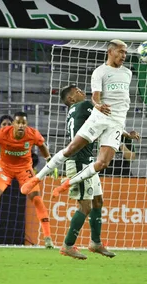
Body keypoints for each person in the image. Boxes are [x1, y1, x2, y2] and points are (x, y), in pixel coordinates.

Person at [20, 40, 138, 197]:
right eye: (121, 52)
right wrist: (97, 105)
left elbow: (122, 100)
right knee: (71, 149)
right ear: (110, 52)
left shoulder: (127, 73)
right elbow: (95, 97)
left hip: (117, 122)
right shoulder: (99, 72)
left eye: (125, 53)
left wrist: (126, 134)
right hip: (100, 116)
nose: (124, 55)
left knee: (103, 163)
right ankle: (36, 178)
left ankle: (68, 183)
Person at [57, 85, 134, 259]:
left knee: (98, 201)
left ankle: (96, 242)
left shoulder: (75, 110)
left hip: (87, 162)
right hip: (78, 162)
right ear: (70, 99)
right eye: (77, 91)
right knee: (85, 206)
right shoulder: (84, 106)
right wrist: (125, 134)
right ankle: (68, 245)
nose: (82, 92)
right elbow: (107, 118)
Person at [0, 111, 55, 248]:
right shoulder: (1, 134)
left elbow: (42, 146)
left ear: (27, 125)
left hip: (24, 169)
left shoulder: (33, 134)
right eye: (18, 122)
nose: (20, 125)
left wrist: (50, 161)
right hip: (5, 168)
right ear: (13, 124)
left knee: (36, 198)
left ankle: (47, 237)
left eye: (23, 123)